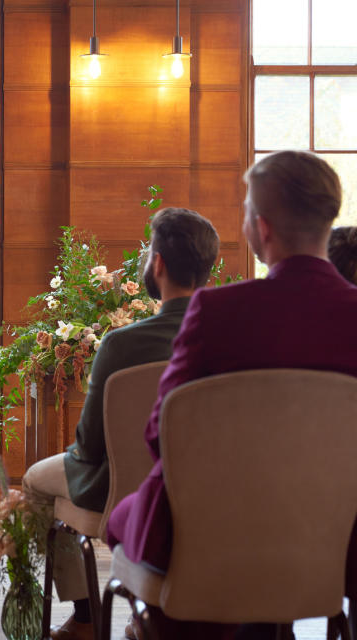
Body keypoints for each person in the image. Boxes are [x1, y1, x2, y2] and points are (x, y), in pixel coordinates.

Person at [106, 151, 357, 639]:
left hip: (213, 540)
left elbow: (163, 437)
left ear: (262, 229)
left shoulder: (218, 312)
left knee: (129, 514)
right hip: (338, 539)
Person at [23, 208, 220, 640]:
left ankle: (85, 618)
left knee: (36, 481)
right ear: (207, 267)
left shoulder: (120, 343)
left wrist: (78, 456)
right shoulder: (226, 339)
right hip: (212, 490)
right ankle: (152, 608)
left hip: (119, 490)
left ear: (159, 264)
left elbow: (91, 446)